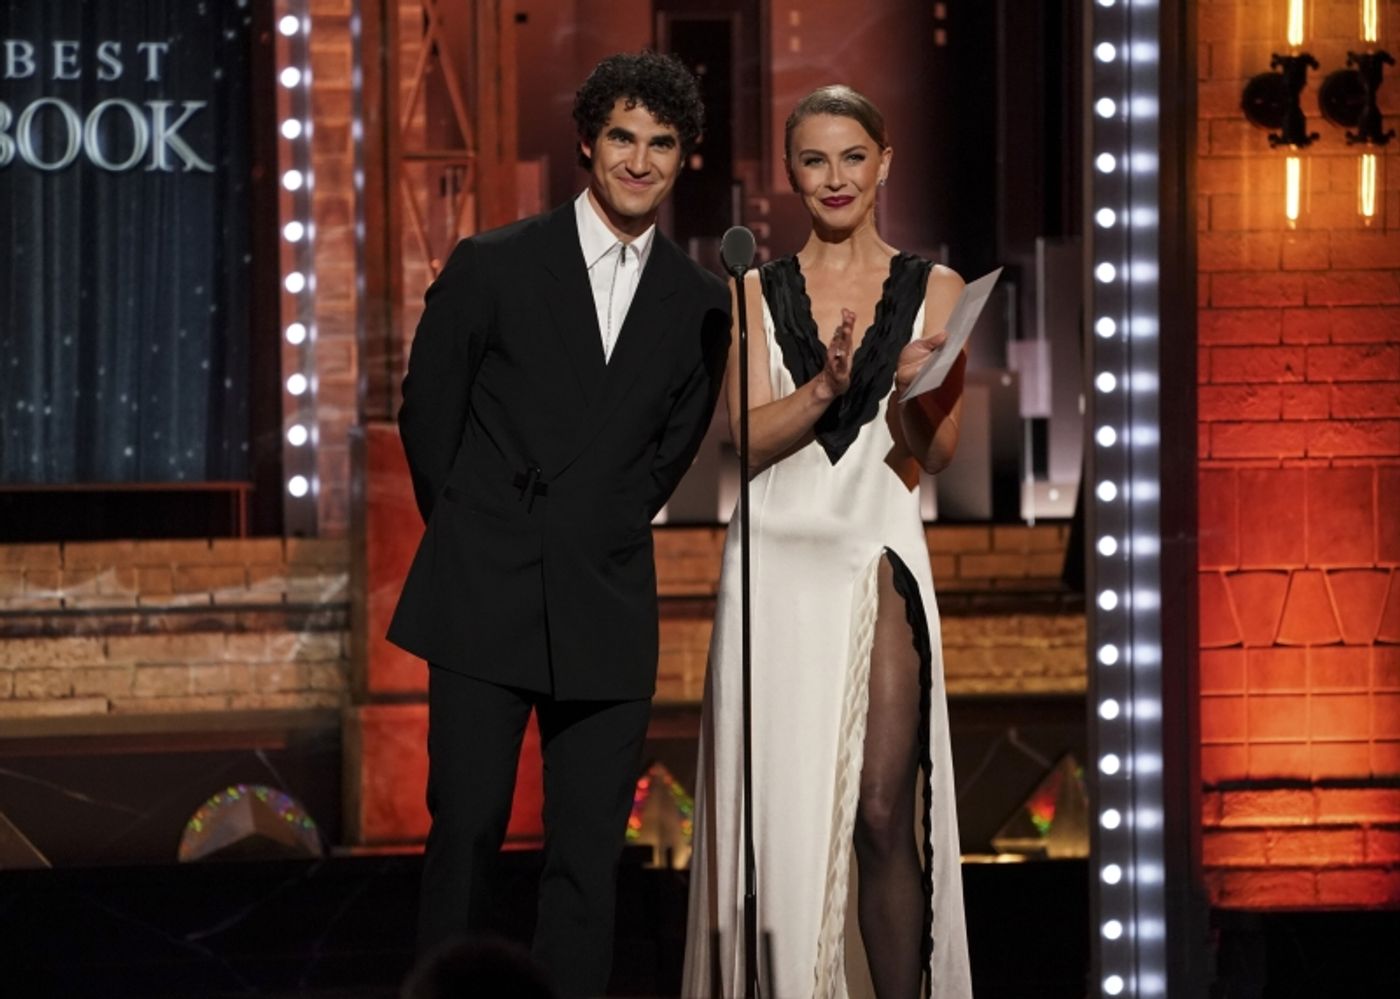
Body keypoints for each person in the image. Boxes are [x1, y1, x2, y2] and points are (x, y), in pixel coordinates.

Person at [387, 51, 729, 998]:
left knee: (587, 856)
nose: (640, 159)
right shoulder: (493, 264)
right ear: (587, 141)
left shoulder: (701, 304)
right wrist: (479, 529)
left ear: (680, 160)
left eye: (661, 143)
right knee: (465, 831)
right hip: (485, 583)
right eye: (623, 136)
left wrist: (596, 519)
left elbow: (673, 448)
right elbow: (430, 417)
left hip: (604, 591)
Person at [681, 85, 975, 998]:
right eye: (815, 159)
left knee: (884, 809)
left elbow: (937, 454)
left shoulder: (937, 288)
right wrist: (821, 390)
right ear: (791, 174)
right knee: (782, 820)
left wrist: (911, 397)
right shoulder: (751, 291)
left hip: (875, 545)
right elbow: (742, 437)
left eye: (853, 156)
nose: (835, 177)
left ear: (885, 162)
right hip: (773, 566)